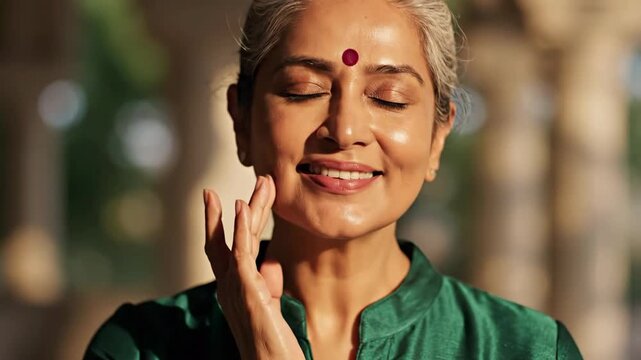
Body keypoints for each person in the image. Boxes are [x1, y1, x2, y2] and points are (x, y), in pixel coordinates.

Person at [84, 0, 583, 358]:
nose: (344, 130)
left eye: (388, 97)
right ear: (242, 121)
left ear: (437, 137)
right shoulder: (142, 347)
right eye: (304, 90)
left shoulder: (528, 349)